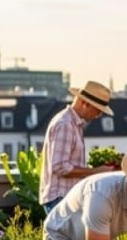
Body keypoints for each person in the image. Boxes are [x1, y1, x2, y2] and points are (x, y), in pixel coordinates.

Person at [39, 80, 118, 213]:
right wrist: (95, 171)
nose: (98, 115)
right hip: (60, 198)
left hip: (65, 197)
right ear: (85, 103)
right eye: (98, 110)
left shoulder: (73, 124)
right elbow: (60, 167)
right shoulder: (66, 124)